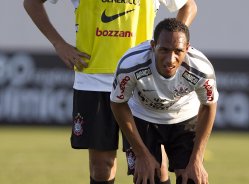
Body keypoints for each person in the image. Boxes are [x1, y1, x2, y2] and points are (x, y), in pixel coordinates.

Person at [23, 0, 198, 184]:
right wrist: (58, 43)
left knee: (154, 166)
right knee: (102, 166)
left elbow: (189, 6)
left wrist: (167, 45)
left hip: (140, 82)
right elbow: (31, 3)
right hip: (93, 82)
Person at [110, 18, 218, 184]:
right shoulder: (131, 64)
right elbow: (118, 103)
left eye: (178, 51)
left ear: (187, 49)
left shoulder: (201, 69)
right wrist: (141, 154)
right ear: (153, 46)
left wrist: (197, 159)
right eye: (164, 50)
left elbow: (209, 106)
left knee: (191, 178)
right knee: (148, 178)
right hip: (143, 116)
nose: (170, 59)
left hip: (184, 116)